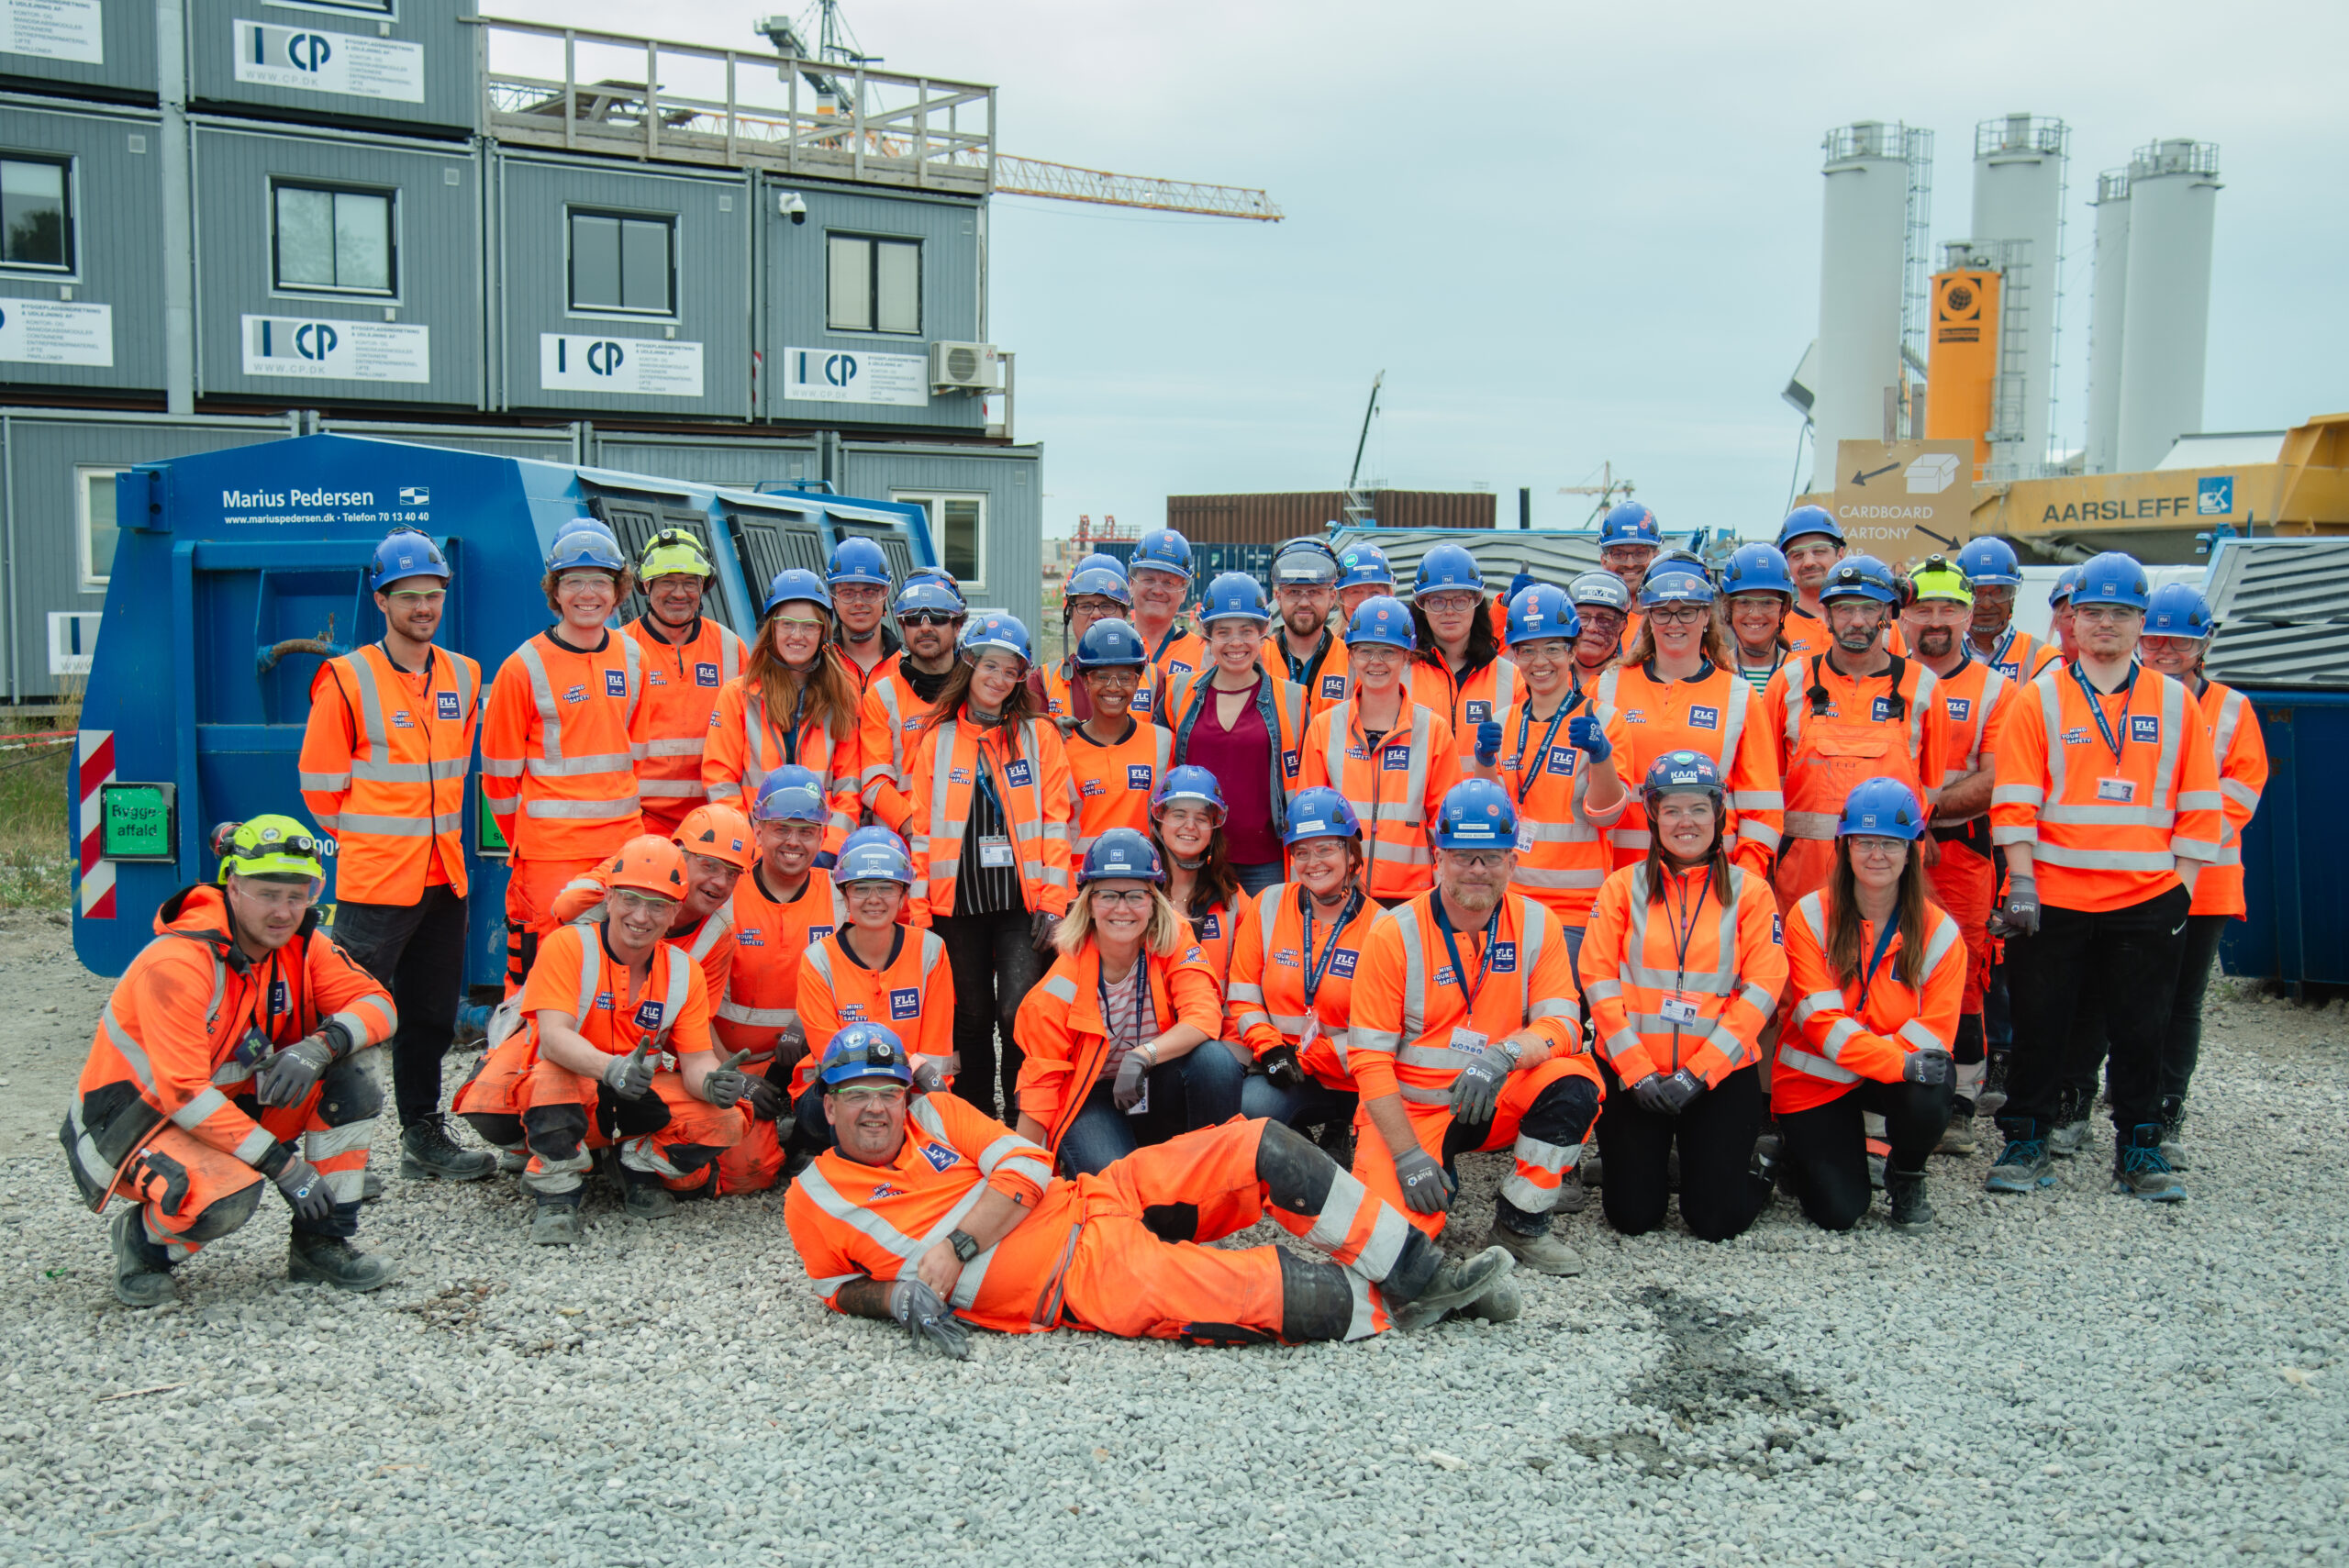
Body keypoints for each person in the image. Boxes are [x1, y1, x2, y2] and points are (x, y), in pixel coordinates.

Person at [785, 1026, 1520, 1350]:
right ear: (828, 1102)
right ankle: (1430, 1310)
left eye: (886, 1089)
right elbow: (831, 1284)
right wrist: (895, 1295)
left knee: (1258, 1144)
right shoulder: (812, 1197)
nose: (876, 1107)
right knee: (1263, 1291)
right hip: (1076, 1277)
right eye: (856, 1096)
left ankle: (1424, 1276)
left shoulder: (934, 1109)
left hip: (1094, 1195)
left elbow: (1028, 1165)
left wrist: (953, 1246)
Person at [64, 817, 400, 1307]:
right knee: (227, 1198)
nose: (284, 912)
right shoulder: (178, 963)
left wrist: (320, 1046)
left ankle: (322, 1241)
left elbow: (380, 1005)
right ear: (234, 887)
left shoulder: (304, 946)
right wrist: (283, 1166)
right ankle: (143, 1243)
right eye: (268, 895)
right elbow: (182, 1093)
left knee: (356, 1068)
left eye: (297, 895)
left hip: (223, 1107)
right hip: (132, 1124)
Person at [1986, 551, 2222, 1203]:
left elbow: (2201, 804)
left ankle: (2140, 1148)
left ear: (2141, 623)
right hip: (2054, 896)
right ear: (2071, 620)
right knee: (2041, 1025)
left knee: (2141, 1028)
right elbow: (2015, 798)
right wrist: (2023, 881)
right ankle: (2026, 1139)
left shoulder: (2176, 704)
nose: (2105, 625)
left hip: (2145, 900)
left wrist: (2181, 888)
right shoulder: (2039, 698)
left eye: (2121, 613)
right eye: (2093, 612)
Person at [296, 529, 490, 1184]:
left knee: (430, 1016)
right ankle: (327, 1156)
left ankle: (421, 1134)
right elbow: (321, 787)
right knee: (349, 1020)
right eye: (409, 597)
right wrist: (377, 839)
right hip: (376, 881)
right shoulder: (347, 679)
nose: (423, 608)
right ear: (381, 600)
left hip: (444, 876)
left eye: (433, 596)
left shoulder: (463, 674)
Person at [1349, 780, 1603, 1275]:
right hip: (1413, 1111)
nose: (1478, 870)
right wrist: (1405, 1157)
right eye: (1464, 855)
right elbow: (1370, 1059)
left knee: (1574, 1081)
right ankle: (1429, 1174)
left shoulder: (1538, 923)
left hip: (1496, 1095)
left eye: (1491, 856)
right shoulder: (1393, 931)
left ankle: (1521, 1224)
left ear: (1513, 860)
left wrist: (1503, 1056)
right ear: (1437, 857)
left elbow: (1564, 1023)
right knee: (1390, 1251)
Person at [493, 838, 751, 1240]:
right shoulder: (568, 946)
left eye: (658, 905)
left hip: (636, 1093)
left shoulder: (684, 972)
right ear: (609, 899)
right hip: (575, 1086)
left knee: (727, 1120)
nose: (641, 916)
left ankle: (635, 1166)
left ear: (675, 914)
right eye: (631, 899)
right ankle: (558, 1195)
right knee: (546, 1080)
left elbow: (697, 1060)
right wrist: (611, 1068)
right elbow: (555, 1039)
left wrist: (712, 1083)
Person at [1580, 751, 1787, 1242]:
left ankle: (1757, 1163)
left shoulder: (1752, 893)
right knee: (1632, 1218)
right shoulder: (1620, 887)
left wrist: (1700, 1072)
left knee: (1715, 1223)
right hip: (1637, 1079)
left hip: (1716, 1079)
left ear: (1718, 813)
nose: (1685, 822)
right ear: (1652, 816)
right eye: (1671, 810)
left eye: (1698, 809)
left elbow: (1762, 992)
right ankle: (1671, 1163)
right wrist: (1636, 1071)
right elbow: (1597, 980)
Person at [907, 613, 1074, 1119]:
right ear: (970, 663)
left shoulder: (1038, 737)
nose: (1000, 679)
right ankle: (977, 1121)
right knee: (972, 1017)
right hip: (955, 904)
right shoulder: (936, 742)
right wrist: (917, 913)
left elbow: (1056, 823)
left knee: (1018, 1011)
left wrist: (1054, 901)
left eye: (1012, 671)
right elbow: (919, 833)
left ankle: (1023, 1118)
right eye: (991, 666)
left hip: (1023, 903)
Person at [1776, 779, 1963, 1229]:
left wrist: (1897, 1067)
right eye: (1864, 841)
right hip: (1816, 1079)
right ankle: (1796, 1153)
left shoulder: (1940, 933)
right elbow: (1820, 1023)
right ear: (1844, 846)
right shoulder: (1810, 916)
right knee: (1840, 1213)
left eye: (1890, 843)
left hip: (1890, 1076)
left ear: (1912, 848)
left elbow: (1935, 1033)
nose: (1876, 854)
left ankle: (1907, 1173)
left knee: (1933, 1082)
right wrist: (1896, 1062)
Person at [1012, 829, 1245, 1176]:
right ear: (1088, 903)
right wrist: (1020, 1176)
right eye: (1108, 895)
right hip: (1091, 1097)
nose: (1122, 909)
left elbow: (1204, 1015)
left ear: (1154, 901)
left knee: (1216, 1062)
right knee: (1116, 1182)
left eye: (1135, 895)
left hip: (1153, 1081)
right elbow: (1040, 1090)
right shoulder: (1055, 991)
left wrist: (1142, 1056)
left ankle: (1208, 1182)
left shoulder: (1175, 937)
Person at [481, 524, 649, 989]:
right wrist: (531, 841)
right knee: (547, 977)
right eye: (573, 581)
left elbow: (637, 754)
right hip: (552, 855)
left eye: (600, 581)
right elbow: (498, 778)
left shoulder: (634, 657)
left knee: (622, 969)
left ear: (618, 591)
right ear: (555, 591)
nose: (587, 593)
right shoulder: (523, 667)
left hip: (622, 846)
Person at [2133, 584, 2266, 1165]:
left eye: (2180, 640)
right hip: (2128, 876)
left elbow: (2240, 792)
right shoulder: (2117, 701)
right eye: (2155, 637)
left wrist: (2176, 848)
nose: (2165, 649)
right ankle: (2097, 1101)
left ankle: (2165, 1108)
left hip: (2203, 882)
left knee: (2182, 1001)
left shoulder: (2232, 709)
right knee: (2118, 994)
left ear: (2202, 644)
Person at [1898, 557, 2017, 1151]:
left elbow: (1995, 778)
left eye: (1949, 608)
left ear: (1969, 615)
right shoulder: (1884, 681)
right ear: (1904, 615)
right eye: (1924, 608)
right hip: (1885, 858)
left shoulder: (1998, 691)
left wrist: (1914, 810)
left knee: (1964, 975)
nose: (1936, 621)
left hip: (1961, 855)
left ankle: (1959, 1102)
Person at [1763, 555, 1952, 911]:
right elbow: (1766, 789)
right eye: (1845, 609)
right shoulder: (1789, 683)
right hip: (1801, 883)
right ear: (1827, 616)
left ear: (1889, 615)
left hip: (1889, 884)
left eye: (1870, 608)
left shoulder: (1923, 688)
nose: (1858, 621)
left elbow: (1929, 790)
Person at [706, 769, 848, 1195]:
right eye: (781, 828)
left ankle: (806, 1137)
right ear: (757, 828)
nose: (793, 842)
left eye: (806, 831)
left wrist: (807, 1025)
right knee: (746, 1173)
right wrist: (732, 1076)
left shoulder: (843, 897)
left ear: (823, 835)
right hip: (739, 1060)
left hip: (816, 1057)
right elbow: (693, 1006)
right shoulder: (726, 895)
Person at [1592, 563, 1783, 878]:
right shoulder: (1606, 686)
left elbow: (1763, 806)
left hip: (1712, 879)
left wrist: (1744, 881)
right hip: (1622, 880)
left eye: (1687, 612)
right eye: (1662, 612)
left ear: (1707, 617)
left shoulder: (1740, 696)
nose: (1674, 623)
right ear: (1649, 619)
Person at [781, 834, 956, 1166]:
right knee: (857, 1105)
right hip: (834, 1094)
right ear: (844, 894)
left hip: (907, 1092)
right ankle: (833, 1158)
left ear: (904, 894)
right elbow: (834, 1058)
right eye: (860, 888)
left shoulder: (931, 951)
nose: (873, 899)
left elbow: (937, 1057)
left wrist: (931, 1103)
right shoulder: (818, 960)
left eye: (886, 887)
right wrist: (909, 1069)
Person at [1481, 584, 1630, 963]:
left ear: (1572, 650)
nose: (1539, 661)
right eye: (1527, 649)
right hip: (1507, 902)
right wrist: (1483, 760)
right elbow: (1490, 814)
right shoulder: (1503, 723)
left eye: (1551, 648)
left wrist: (1600, 755)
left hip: (1576, 912)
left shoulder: (1605, 720)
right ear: (1513, 655)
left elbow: (1608, 816)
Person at [1230, 789, 1375, 1143]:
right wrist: (1270, 1049)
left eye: (1325, 848)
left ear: (1350, 851)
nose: (1313, 862)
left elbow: (1381, 1030)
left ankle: (1344, 1127)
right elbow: (1243, 994)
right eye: (1302, 852)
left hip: (1353, 1075)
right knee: (1248, 1107)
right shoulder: (1269, 904)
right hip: (1283, 1068)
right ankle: (1305, 1152)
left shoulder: (1382, 927)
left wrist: (1305, 1057)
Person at [1299, 595, 1463, 905]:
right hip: (1339, 893)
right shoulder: (1324, 727)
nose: (1376, 661)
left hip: (1412, 898)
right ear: (1351, 657)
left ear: (1406, 658)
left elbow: (1445, 827)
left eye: (1388, 651)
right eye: (1365, 651)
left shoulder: (1434, 730)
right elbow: (1310, 822)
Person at [1158, 572, 1310, 895]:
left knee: (1260, 944)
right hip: (1193, 855)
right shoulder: (1178, 691)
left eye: (1246, 631)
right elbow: (1157, 768)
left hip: (1264, 862)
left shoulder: (1294, 699)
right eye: (1223, 632)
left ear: (1263, 633)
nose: (1236, 642)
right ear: (1207, 635)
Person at [702, 569, 862, 855]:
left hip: (818, 853)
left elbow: (850, 786)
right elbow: (720, 780)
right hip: (753, 850)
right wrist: (749, 843)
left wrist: (827, 849)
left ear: (823, 632)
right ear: (771, 629)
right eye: (787, 624)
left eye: (809, 626)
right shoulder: (738, 695)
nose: (797, 635)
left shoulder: (843, 697)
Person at [547, 802, 752, 1003]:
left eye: (733, 873)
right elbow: (567, 907)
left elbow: (696, 1019)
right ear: (680, 855)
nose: (720, 882)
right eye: (710, 866)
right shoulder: (639, 863)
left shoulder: (719, 931)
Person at [623, 528, 748, 837]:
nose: (679, 593)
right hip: (640, 821)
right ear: (646, 585)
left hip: (715, 821)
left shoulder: (731, 648)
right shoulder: (620, 650)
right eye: (667, 581)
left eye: (690, 582)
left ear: (705, 586)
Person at [859, 579, 967, 835]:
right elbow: (875, 784)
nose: (925, 627)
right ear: (902, 626)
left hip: (964, 843)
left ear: (958, 625)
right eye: (914, 618)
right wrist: (917, 830)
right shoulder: (881, 697)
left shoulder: (976, 690)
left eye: (938, 617)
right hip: (903, 848)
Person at [1059, 617, 1172, 857]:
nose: (1113, 687)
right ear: (1085, 680)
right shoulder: (1061, 746)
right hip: (1081, 885)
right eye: (1101, 677)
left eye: (1125, 677)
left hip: (1145, 883)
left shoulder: (1163, 742)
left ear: (1139, 680)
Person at [1149, 766, 1260, 998]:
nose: (1190, 826)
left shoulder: (1234, 900)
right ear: (1159, 821)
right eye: (1179, 815)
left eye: (1201, 818)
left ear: (1213, 830)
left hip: (1218, 1029)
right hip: (1152, 1031)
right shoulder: (1137, 893)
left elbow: (1248, 981)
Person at [1408, 544, 1522, 740]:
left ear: (1476, 602)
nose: (1449, 610)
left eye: (1460, 600)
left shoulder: (1512, 679)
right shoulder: (1400, 674)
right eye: (1437, 601)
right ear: (1422, 607)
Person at [1035, 556, 1135, 723]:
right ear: (1070, 614)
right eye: (1085, 606)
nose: (1096, 614)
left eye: (1106, 606)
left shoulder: (1153, 682)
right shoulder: (1043, 682)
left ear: (1124, 614)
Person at [1264, 536, 1351, 715]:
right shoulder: (1257, 659)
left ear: (1332, 598)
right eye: (1294, 592)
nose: (1304, 602)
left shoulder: (1354, 661)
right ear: (1278, 598)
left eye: (1314, 592)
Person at [1957, 536, 2062, 681]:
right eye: (1977, 593)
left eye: (1998, 592)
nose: (1987, 604)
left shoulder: (2042, 658)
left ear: (2012, 597)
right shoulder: (1938, 651)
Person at [1127, 528, 1208, 695]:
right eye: (1149, 579)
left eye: (1169, 583)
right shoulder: (1112, 646)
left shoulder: (1205, 654)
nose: (1157, 590)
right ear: (1131, 583)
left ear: (1184, 591)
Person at [1719, 541, 1797, 697]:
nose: (1755, 614)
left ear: (1783, 609)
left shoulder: (1801, 673)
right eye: (1744, 602)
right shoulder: (1717, 669)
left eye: (1767, 602)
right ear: (1729, 608)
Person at [827, 536, 900, 692]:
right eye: (847, 592)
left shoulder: (907, 668)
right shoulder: (819, 667)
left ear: (885, 595)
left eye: (869, 592)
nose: (859, 602)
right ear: (834, 598)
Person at [1776, 506, 1847, 657]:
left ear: (1840, 555)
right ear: (1786, 564)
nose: (1808, 562)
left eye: (1819, 551)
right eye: (1797, 555)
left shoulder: (1875, 621)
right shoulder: (1776, 628)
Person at [1597, 502, 1664, 633]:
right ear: (1604, 561)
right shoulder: (1590, 621)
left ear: (1656, 557)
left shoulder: (1673, 619)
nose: (1630, 563)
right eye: (1619, 554)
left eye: (1640, 553)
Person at [1565, 573, 1631, 691]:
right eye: (1583, 617)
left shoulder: (1633, 681)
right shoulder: (1543, 674)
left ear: (1623, 626)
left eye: (1605, 620)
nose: (1592, 628)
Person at [1334, 541, 1398, 622]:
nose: (1365, 602)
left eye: (1375, 592)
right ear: (1339, 598)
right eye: (1355, 592)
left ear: (1390, 594)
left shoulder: (1407, 632)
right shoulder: (1326, 634)